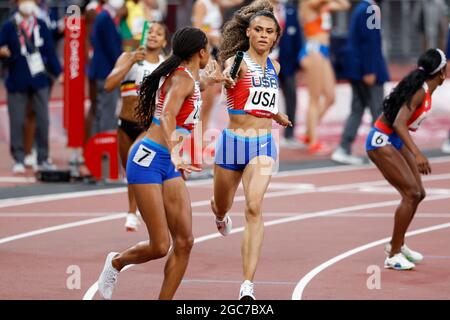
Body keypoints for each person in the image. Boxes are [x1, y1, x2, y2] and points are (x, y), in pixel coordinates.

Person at [96, 26, 230, 300]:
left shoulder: (189, 76)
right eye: (208, 50)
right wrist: (177, 152)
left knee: (185, 241)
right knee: (159, 246)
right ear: (202, 52)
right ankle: (116, 262)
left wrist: (214, 79)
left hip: (167, 162)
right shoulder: (182, 80)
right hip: (148, 159)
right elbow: (168, 115)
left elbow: (197, 84)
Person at [212, 0, 291, 300]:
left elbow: (263, 101)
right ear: (248, 33)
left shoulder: (276, 66)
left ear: (274, 37)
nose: (262, 35)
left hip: (262, 143)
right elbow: (226, 78)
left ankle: (247, 285)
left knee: (254, 206)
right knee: (222, 205)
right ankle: (220, 216)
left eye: (269, 31)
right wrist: (222, 77)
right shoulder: (236, 61)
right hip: (233, 143)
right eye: (257, 29)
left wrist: (276, 115)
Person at [366, 48, 447, 270]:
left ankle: (398, 244)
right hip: (381, 141)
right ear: (441, 73)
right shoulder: (420, 91)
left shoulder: (425, 88)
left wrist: (409, 151)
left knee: (419, 193)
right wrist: (417, 153)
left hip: (395, 141)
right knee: (410, 193)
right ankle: (392, 254)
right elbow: (399, 123)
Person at [105, 21, 168, 231]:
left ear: (164, 41)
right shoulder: (127, 57)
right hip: (125, 124)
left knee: (137, 163)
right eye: (150, 31)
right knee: (130, 173)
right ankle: (137, 209)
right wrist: (131, 59)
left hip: (148, 127)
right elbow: (108, 85)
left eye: (159, 33)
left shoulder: (165, 63)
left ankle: (133, 212)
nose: (153, 35)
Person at [0, 0, 62, 174]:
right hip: (16, 80)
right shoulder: (9, 26)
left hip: (39, 79)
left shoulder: (41, 25)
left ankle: (43, 157)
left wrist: (59, 73)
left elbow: (50, 51)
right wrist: (3, 53)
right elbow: (1, 47)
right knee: (17, 120)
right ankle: (19, 157)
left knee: (43, 119)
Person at [331, 0, 389, 165]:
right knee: (378, 111)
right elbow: (370, 42)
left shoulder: (362, 8)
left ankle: (343, 147)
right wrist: (370, 70)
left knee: (357, 109)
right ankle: (379, 152)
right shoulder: (371, 9)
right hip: (368, 70)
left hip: (357, 69)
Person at [298, 0, 350, 154]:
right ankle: (313, 142)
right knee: (315, 98)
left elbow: (345, 5)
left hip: (324, 52)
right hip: (313, 51)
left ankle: (309, 132)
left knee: (330, 96)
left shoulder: (324, 6)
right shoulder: (308, 3)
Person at [270, 0, 303, 149]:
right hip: (265, 62)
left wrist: (297, 63)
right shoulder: (259, 9)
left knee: (291, 96)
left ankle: (290, 134)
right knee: (264, 97)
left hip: (287, 62)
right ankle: (258, 134)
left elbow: (297, 38)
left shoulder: (290, 10)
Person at [88, 0, 124, 136]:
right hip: (106, 72)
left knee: (100, 111)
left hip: (101, 70)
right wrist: (123, 66)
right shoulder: (105, 18)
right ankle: (104, 150)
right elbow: (112, 49)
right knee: (107, 112)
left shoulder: (104, 17)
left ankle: (97, 147)